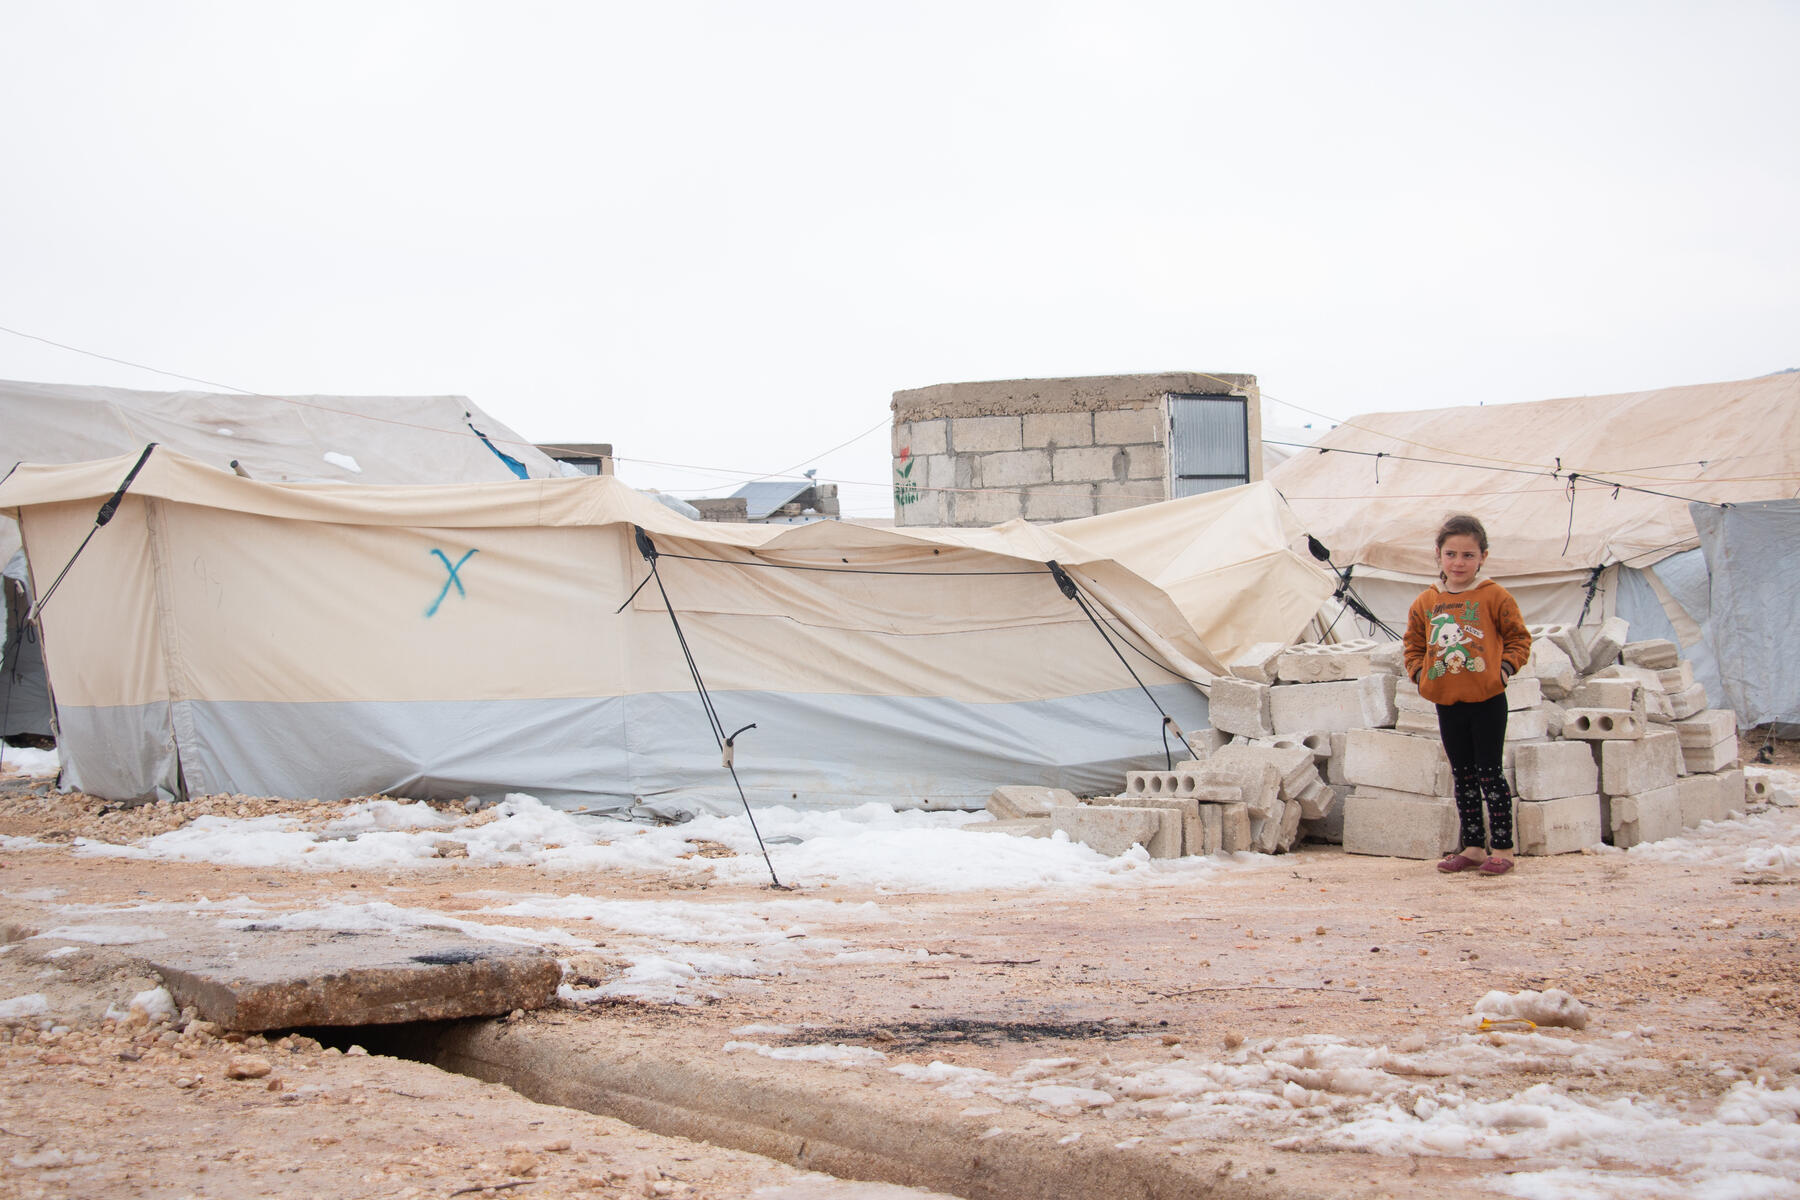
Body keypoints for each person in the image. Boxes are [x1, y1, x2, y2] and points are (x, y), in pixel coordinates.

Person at [1403, 514, 1532, 876]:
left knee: (1489, 772)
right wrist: (1419, 674)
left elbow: (1519, 638)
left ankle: (1503, 848)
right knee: (1461, 774)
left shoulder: (1494, 597)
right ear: (1439, 555)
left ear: (1483, 557)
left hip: (1487, 698)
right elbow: (1412, 642)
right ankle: (1473, 847)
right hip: (1447, 700)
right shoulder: (1427, 601)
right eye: (1451, 554)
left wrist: (1503, 670)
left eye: (1468, 555)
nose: (1459, 562)